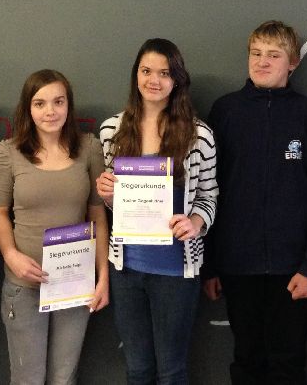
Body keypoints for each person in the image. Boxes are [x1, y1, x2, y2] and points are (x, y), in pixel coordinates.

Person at [202, 20, 307, 385]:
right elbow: (207, 190)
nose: (262, 62)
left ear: (292, 62)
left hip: (293, 269)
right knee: (246, 360)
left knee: (288, 364)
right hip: (237, 266)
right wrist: (210, 266)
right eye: (256, 53)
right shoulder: (225, 111)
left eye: (273, 55)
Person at [95, 38, 218, 385]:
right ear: (136, 75)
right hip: (126, 269)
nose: (154, 80)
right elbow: (114, 205)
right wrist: (107, 194)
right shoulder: (111, 131)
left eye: (164, 73)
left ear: (177, 79)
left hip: (176, 271)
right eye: (146, 71)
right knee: (137, 370)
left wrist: (195, 222)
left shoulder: (199, 136)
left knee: (171, 371)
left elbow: (209, 196)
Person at [0, 69, 109, 385]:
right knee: (27, 379)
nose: (50, 111)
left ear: (69, 105)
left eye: (59, 101)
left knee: (64, 378)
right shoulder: (9, 152)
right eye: (40, 103)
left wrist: (103, 277)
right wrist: (11, 255)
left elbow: (97, 216)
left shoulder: (89, 148)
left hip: (74, 282)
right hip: (24, 284)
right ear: (28, 108)